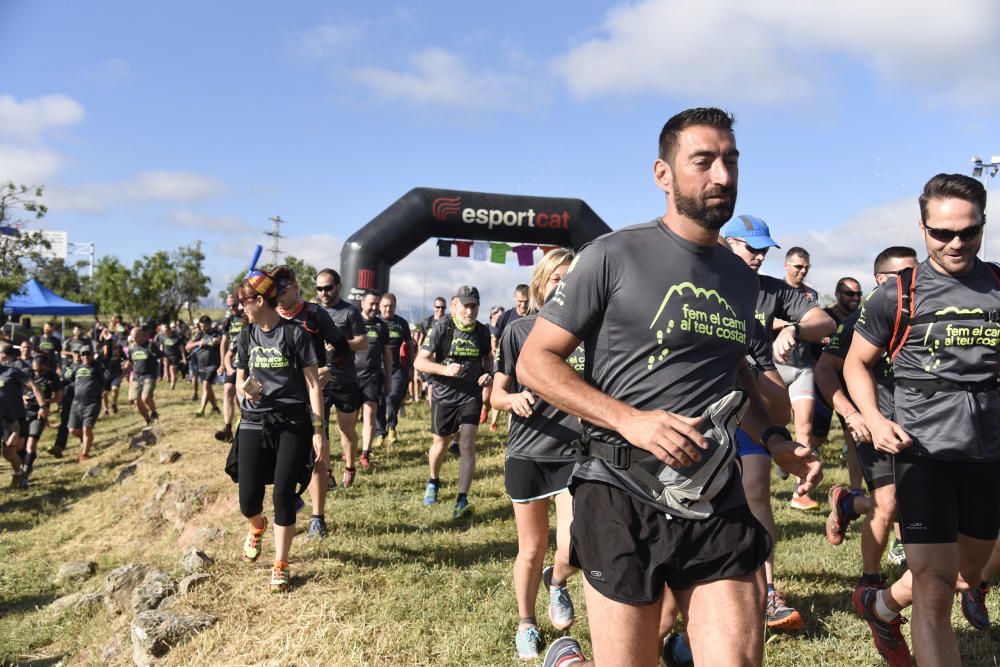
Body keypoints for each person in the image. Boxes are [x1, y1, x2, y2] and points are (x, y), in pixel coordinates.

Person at [516, 107, 821, 667]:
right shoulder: (612, 255)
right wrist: (630, 419)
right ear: (663, 174)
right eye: (703, 161)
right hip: (620, 488)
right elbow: (535, 363)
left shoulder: (740, 279)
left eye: (730, 161)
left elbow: (734, 375)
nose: (722, 176)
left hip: (714, 491)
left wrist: (775, 439)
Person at [845, 173, 1000, 666]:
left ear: (982, 225)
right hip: (922, 453)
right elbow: (855, 363)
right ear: (922, 228)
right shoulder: (897, 295)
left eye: (968, 232)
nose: (956, 243)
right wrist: (872, 418)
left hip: (988, 452)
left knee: (966, 576)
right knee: (935, 585)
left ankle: (882, 606)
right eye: (942, 233)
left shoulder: (998, 285)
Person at [721, 213, 835, 630]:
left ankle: (767, 592)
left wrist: (795, 329)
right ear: (727, 242)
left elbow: (826, 321)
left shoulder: (771, 289)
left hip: (756, 407)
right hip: (705, 408)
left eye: (764, 250)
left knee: (755, 493)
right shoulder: (703, 282)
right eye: (750, 248)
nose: (758, 257)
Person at [815, 247, 917, 604]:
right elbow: (825, 370)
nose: (912, 282)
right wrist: (853, 414)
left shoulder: (926, 312)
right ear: (881, 280)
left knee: (914, 502)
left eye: (916, 273)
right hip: (875, 422)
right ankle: (869, 581)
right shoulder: (862, 317)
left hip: (919, 424)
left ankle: (848, 504)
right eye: (904, 275)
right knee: (887, 502)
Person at [491, 248, 580, 660]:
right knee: (531, 548)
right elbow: (496, 393)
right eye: (557, 278)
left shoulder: (590, 330)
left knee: (575, 545)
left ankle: (557, 581)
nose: (564, 285)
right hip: (528, 453)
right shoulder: (518, 330)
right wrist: (512, 400)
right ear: (542, 283)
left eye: (571, 278)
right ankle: (526, 622)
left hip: (575, 453)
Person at [232, 269, 327, 593]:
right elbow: (238, 379)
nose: (241, 307)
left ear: (260, 300)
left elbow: (313, 385)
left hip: (291, 422)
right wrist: (247, 390)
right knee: (248, 499)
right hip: (253, 420)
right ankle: (257, 525)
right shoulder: (246, 336)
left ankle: (281, 563)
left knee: (283, 494)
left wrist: (318, 430)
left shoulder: (296, 334)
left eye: (244, 301)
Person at [271, 265, 350, 540]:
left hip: (314, 395)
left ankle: (318, 518)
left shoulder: (314, 314)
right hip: (280, 399)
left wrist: (329, 369)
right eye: (274, 291)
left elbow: (342, 349)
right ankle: (291, 498)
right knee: (279, 456)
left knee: (317, 454)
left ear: (295, 286)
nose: (279, 295)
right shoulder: (269, 316)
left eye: (283, 289)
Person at [414, 285, 495, 520]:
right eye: (466, 306)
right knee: (440, 443)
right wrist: (445, 370)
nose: (469, 311)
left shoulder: (482, 332)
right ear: (455, 305)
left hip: (470, 395)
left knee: (467, 443)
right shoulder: (442, 327)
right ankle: (433, 480)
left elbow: (488, 359)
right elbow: (419, 362)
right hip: (444, 395)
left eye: (474, 306)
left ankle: (462, 498)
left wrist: (488, 374)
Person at [772, 246, 829, 511]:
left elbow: (817, 324)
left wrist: (818, 334)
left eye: (806, 267)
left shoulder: (811, 295)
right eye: (798, 266)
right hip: (774, 367)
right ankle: (780, 456)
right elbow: (763, 320)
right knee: (773, 424)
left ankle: (800, 493)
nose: (802, 271)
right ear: (786, 266)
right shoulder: (773, 289)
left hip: (803, 368)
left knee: (804, 427)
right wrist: (790, 327)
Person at [313, 269, 368, 489]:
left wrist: (340, 343)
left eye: (327, 288)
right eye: (319, 288)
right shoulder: (313, 312)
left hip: (345, 379)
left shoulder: (349, 312)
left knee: (346, 430)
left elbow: (363, 342)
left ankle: (350, 466)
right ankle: (327, 473)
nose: (323, 293)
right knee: (321, 430)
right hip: (319, 380)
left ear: (338, 286)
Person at [352, 290, 392, 470]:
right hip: (352, 377)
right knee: (351, 419)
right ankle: (350, 449)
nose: (375, 307)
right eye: (372, 304)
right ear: (362, 303)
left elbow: (387, 354)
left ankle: (365, 453)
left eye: (377, 304)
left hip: (372, 377)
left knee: (369, 416)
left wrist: (389, 379)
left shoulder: (381, 326)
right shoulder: (353, 321)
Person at [375, 292, 412, 447]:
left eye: (391, 306)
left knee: (392, 398)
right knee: (379, 401)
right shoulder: (375, 322)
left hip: (397, 369)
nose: (388, 309)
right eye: (385, 306)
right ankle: (379, 433)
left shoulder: (401, 323)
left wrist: (411, 366)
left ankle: (391, 427)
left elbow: (410, 345)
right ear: (379, 306)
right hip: (377, 368)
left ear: (395, 306)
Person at [21, 354, 61, 480]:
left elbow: (59, 397)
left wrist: (44, 402)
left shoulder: (53, 377)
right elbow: (17, 389)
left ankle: (25, 472)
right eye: (35, 370)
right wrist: (22, 397)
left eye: (40, 371)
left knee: (31, 443)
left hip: (39, 412)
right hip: (23, 411)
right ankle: (25, 464)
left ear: (47, 366)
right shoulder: (27, 373)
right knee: (19, 445)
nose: (37, 373)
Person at [216, 294, 245, 444]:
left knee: (242, 395)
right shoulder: (229, 321)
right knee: (228, 390)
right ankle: (227, 428)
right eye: (228, 306)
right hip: (232, 361)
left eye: (234, 305)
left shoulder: (247, 316)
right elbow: (224, 343)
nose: (231, 308)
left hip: (247, 362)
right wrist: (223, 363)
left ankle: (245, 424)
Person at [67, 347, 104, 462]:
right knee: (72, 429)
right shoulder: (76, 367)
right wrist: (73, 363)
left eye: (88, 354)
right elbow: (67, 377)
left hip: (92, 402)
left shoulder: (97, 367)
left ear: (92, 355)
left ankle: (85, 454)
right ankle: (87, 439)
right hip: (76, 402)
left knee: (86, 428)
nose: (86, 357)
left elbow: (104, 380)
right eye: (83, 354)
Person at [185, 316, 221, 417]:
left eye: (205, 326)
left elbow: (221, 340)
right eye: (201, 326)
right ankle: (215, 408)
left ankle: (201, 410)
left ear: (210, 324)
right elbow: (187, 347)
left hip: (213, 364)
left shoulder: (217, 333)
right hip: (201, 365)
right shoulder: (199, 334)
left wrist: (216, 341)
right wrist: (198, 343)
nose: (203, 328)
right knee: (208, 388)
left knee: (205, 385)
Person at [124, 327, 161, 425]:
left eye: (136, 337)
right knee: (136, 400)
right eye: (133, 337)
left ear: (142, 335)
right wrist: (123, 373)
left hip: (149, 375)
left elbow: (161, 356)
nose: (134, 339)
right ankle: (148, 420)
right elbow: (130, 362)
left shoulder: (150, 345)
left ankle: (153, 411)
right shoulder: (132, 348)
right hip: (137, 376)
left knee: (145, 397)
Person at [155, 323, 183, 390]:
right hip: (165, 356)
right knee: (166, 370)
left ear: (169, 330)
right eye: (163, 331)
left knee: (172, 370)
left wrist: (183, 357)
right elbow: (161, 347)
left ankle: (172, 385)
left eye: (166, 331)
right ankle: (169, 378)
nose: (165, 333)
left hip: (174, 356)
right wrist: (161, 355)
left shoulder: (176, 337)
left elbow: (181, 348)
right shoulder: (162, 337)